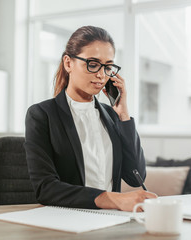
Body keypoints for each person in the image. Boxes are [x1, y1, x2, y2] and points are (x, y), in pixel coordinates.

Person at [24, 25, 156, 211]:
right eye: (93, 64)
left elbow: (136, 178)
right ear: (68, 63)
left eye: (108, 67)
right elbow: (46, 189)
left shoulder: (111, 116)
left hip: (111, 221)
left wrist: (124, 116)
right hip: (68, 221)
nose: (101, 75)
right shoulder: (42, 115)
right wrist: (111, 199)